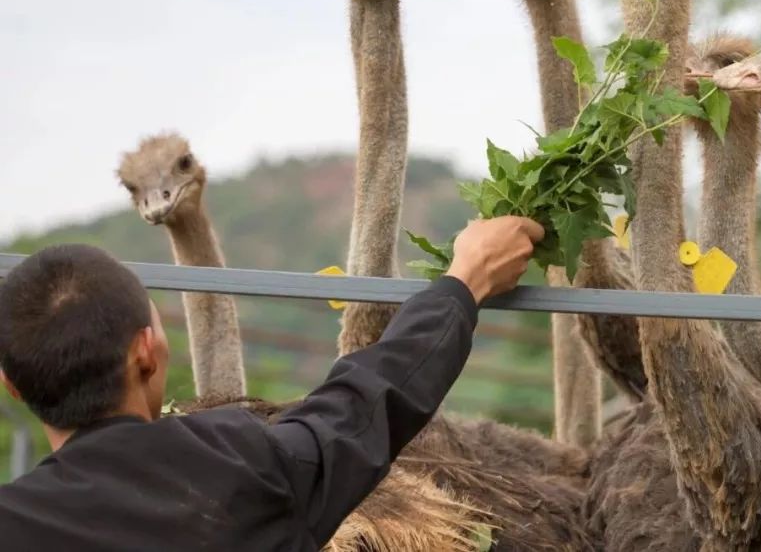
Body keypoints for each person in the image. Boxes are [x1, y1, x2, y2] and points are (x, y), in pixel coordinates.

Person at [0, 216, 544, 551]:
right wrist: (464, 282)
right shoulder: (243, 468)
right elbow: (369, 399)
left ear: (12, 386)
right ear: (146, 352)